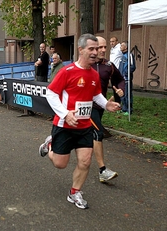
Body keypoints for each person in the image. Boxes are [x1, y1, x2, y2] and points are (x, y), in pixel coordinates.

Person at [38, 34, 121, 209]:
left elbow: (95, 94)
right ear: (81, 50)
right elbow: (51, 93)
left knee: (85, 161)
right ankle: (50, 146)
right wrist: (65, 114)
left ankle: (75, 192)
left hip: (84, 126)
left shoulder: (93, 74)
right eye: (91, 49)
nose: (95, 52)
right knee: (60, 164)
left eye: (97, 49)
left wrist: (106, 105)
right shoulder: (67, 72)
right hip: (65, 125)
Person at [92, 36, 125, 182]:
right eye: (100, 47)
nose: (104, 50)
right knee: (98, 133)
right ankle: (102, 170)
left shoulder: (109, 65)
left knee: (81, 136)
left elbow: (120, 79)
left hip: (100, 106)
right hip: (85, 107)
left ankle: (52, 142)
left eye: (105, 47)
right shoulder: (86, 65)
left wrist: (120, 90)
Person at [119, 41, 136, 115]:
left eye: (122, 45)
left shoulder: (129, 55)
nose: (120, 47)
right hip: (121, 79)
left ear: (126, 47)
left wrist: (126, 73)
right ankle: (124, 108)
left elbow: (132, 66)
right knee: (122, 94)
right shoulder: (122, 56)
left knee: (127, 94)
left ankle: (129, 110)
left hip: (127, 79)